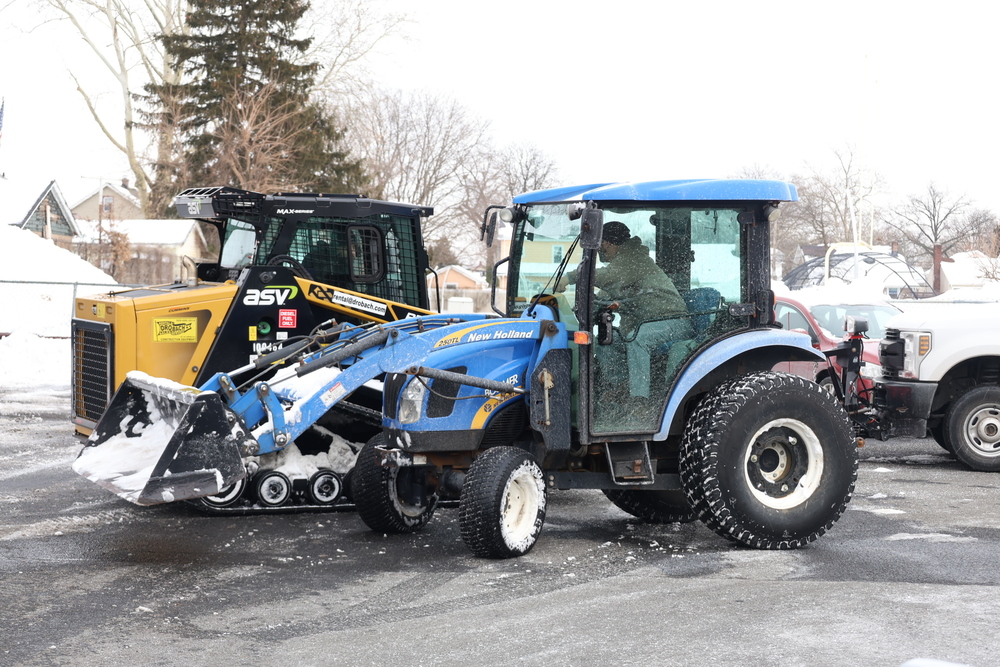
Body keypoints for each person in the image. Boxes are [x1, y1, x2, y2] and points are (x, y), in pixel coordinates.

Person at [559, 220, 692, 400]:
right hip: (648, 324)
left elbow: (608, 276)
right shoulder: (624, 268)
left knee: (638, 339)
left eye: (599, 248)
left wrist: (569, 278)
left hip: (673, 321)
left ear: (607, 243)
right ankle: (623, 386)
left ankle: (639, 400)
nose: (599, 253)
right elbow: (607, 295)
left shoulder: (634, 259)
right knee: (606, 342)